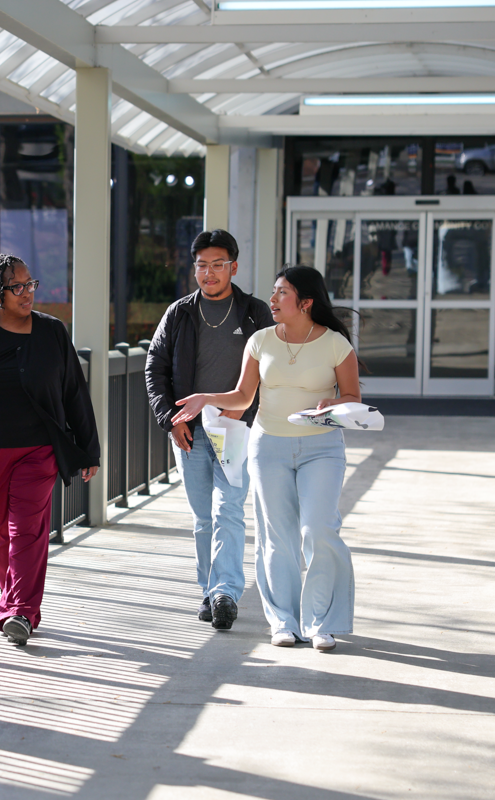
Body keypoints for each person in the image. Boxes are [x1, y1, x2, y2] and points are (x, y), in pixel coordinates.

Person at [172, 266, 361, 652]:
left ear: (305, 302)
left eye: (282, 293)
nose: (272, 300)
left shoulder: (336, 344)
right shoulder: (259, 341)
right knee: (276, 538)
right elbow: (243, 397)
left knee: (319, 530)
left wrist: (333, 402)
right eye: (273, 292)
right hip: (268, 447)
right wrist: (206, 398)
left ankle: (321, 622)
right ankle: (284, 621)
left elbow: (353, 398)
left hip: (322, 448)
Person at [0, 254, 100, 646]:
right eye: (18, 287)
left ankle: (20, 612)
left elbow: (74, 392)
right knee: (0, 531)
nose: (27, 293)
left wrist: (88, 449)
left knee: (25, 528)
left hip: (38, 449)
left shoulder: (52, 333)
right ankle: (13, 602)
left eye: (31, 285)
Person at [145, 230, 274, 631]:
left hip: (236, 428)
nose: (209, 273)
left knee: (229, 510)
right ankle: (208, 589)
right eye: (202, 265)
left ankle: (226, 593)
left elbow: (272, 370)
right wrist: (170, 420)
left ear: (233, 267)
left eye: (218, 264)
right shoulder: (180, 313)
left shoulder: (253, 313)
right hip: (191, 432)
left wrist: (247, 411)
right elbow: (156, 369)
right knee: (204, 517)